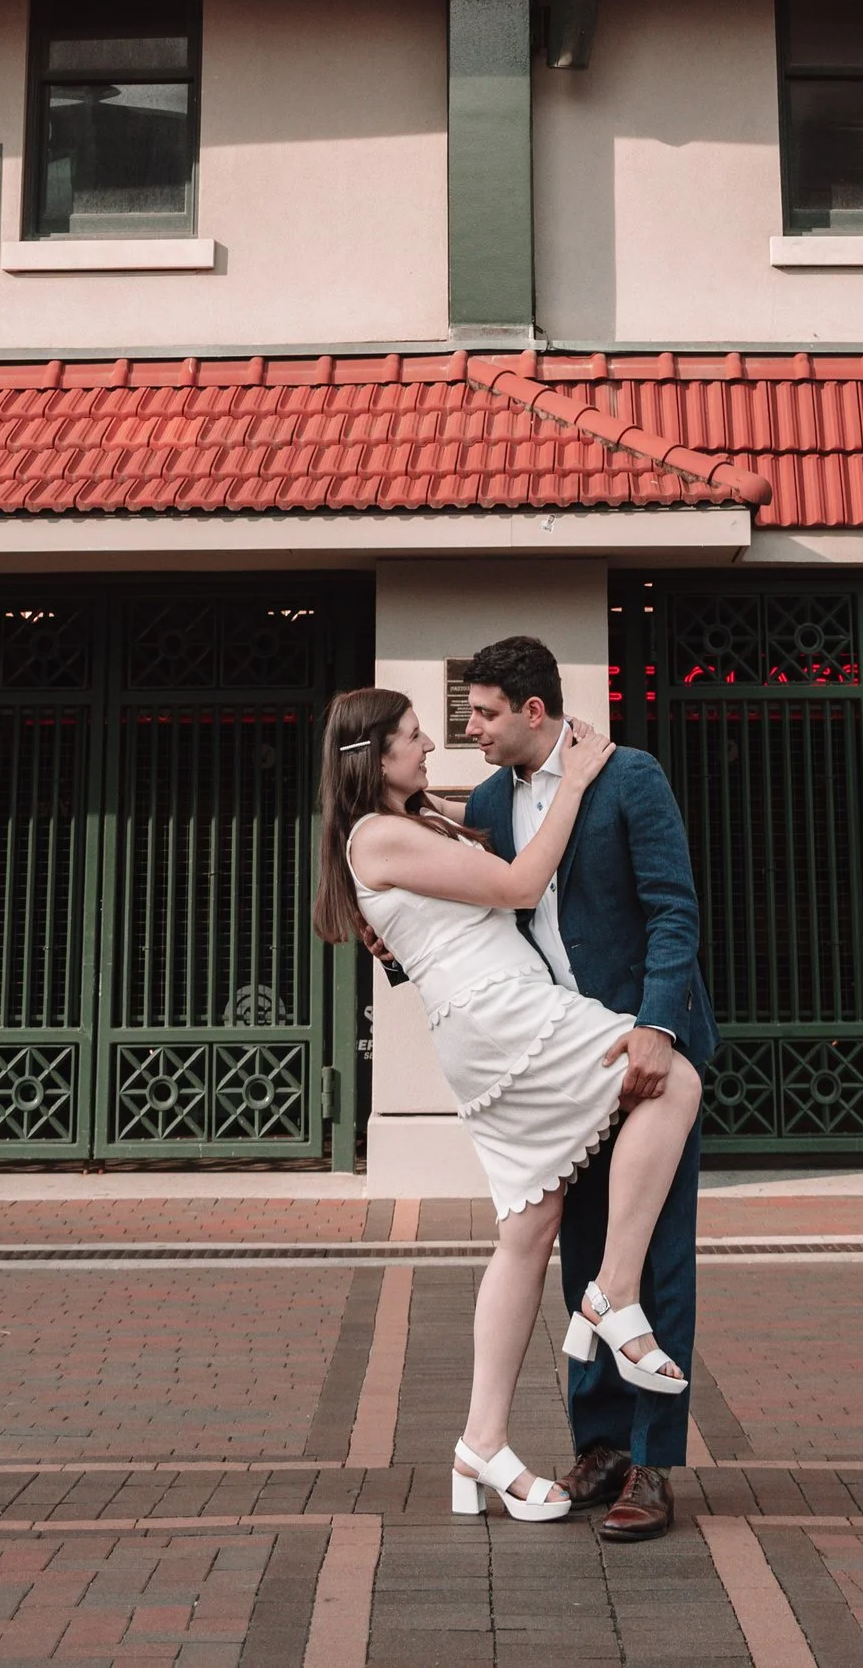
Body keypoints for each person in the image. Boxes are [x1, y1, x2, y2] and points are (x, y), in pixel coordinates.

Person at [313, 685, 704, 1528]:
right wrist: (573, 781)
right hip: (509, 1019)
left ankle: (482, 1442)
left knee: (527, 1232)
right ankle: (612, 1295)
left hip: (496, 1021)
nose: (447, 739)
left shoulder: (434, 814)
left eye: (475, 718)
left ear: (533, 708)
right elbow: (522, 885)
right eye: (417, 735)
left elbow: (432, 897)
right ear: (375, 756)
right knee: (675, 1082)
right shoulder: (381, 831)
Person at [461, 635, 717, 1546]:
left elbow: (674, 906)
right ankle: (600, 1446)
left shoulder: (630, 776)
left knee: (652, 1261)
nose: (471, 727)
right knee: (581, 1253)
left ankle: (652, 1463)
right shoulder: (490, 800)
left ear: (536, 711)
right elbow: (479, 920)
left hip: (638, 1052)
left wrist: (659, 1025)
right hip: (555, 1061)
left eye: (485, 711)